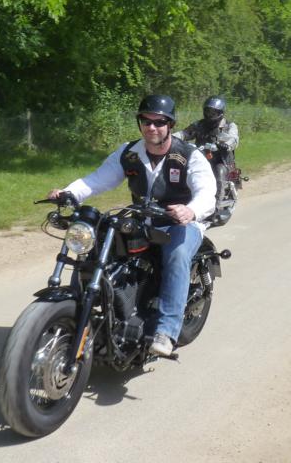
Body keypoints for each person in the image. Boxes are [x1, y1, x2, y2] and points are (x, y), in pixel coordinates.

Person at [47, 94, 217, 357]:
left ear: (170, 124)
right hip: (141, 218)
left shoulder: (188, 155)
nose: (152, 127)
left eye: (159, 122)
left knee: (177, 253)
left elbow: (206, 192)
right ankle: (77, 311)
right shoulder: (129, 153)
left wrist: (191, 210)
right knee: (97, 242)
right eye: (146, 121)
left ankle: (166, 330)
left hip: (180, 223)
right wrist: (69, 193)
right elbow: (98, 179)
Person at [173, 96, 239, 207]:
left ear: (221, 113)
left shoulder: (229, 126)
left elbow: (233, 138)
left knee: (219, 170)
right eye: (208, 111)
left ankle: (215, 206)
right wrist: (169, 138)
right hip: (202, 157)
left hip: (222, 161)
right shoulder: (199, 125)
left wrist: (227, 145)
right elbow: (184, 134)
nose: (209, 115)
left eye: (213, 112)